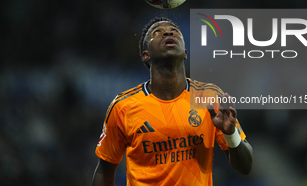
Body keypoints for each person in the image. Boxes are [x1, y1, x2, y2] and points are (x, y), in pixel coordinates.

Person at [92, 17, 253, 186]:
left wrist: (230, 134)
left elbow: (246, 167)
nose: (168, 32)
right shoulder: (123, 107)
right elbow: (104, 170)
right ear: (146, 55)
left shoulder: (210, 96)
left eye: (175, 31)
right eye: (157, 32)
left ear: (185, 52)